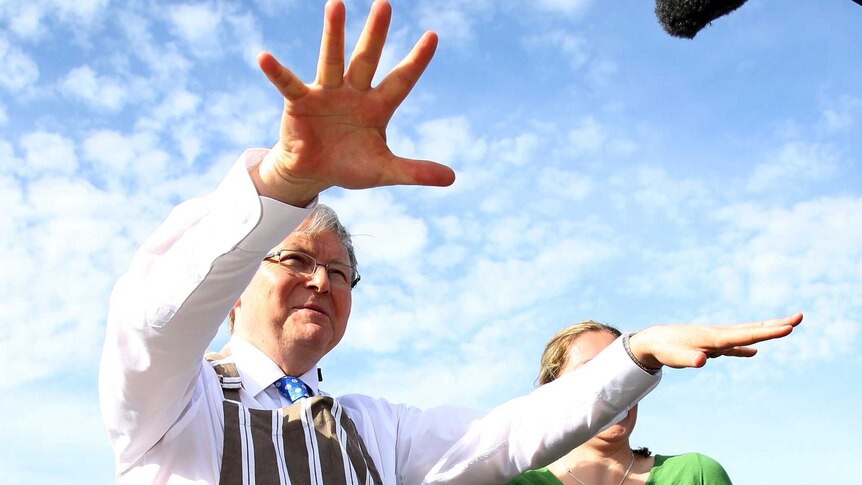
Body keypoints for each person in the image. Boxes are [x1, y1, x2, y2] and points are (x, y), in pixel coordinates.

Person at [98, 1, 802, 484]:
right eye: (298, 258)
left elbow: (507, 437)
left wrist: (636, 352)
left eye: (342, 273)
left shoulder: (371, 427)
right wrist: (283, 188)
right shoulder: (176, 398)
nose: (323, 282)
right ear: (242, 280)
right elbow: (153, 319)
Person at [505, 321, 732, 485]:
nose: (613, 390)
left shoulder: (695, 475)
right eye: (591, 373)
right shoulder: (515, 482)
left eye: (625, 375)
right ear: (551, 393)